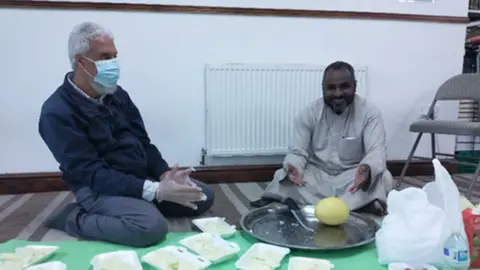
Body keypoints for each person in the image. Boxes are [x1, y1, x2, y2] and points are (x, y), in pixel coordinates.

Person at [38, 22, 214, 247]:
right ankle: (73, 218)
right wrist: (155, 191)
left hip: (137, 177)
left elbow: (143, 142)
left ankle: (143, 202)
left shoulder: (117, 95)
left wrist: (164, 175)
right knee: (150, 228)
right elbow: (91, 173)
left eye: (115, 56)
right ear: (81, 61)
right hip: (97, 189)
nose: (113, 64)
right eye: (104, 57)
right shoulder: (56, 112)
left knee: (202, 195)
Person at [251, 61, 394, 216]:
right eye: (331, 88)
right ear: (323, 88)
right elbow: (297, 152)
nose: (338, 93)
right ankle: (359, 205)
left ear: (355, 86)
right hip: (317, 175)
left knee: (384, 178)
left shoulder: (369, 113)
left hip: (352, 177)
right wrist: (294, 168)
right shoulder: (309, 113)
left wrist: (366, 169)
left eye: (344, 86)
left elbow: (376, 150)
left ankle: (306, 204)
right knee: (282, 176)